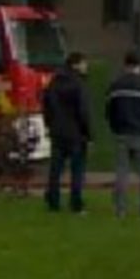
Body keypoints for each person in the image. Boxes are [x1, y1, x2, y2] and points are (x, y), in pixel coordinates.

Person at [105, 50, 140, 219]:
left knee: (122, 173)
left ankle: (120, 209)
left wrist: (115, 128)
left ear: (125, 65)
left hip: (122, 133)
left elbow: (109, 112)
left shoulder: (115, 87)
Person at [42, 52, 92, 214]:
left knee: (55, 169)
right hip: (75, 133)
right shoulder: (79, 84)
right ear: (76, 64)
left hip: (57, 131)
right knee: (77, 170)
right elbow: (82, 111)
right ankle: (76, 204)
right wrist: (88, 133)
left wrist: (49, 125)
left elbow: (46, 106)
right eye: (84, 63)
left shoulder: (54, 82)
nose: (86, 67)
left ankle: (53, 201)